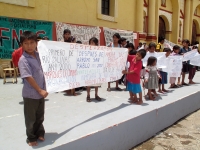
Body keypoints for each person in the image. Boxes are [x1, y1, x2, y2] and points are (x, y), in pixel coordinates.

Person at [18, 31, 48, 146]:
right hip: (31, 94)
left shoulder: (39, 56)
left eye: (32, 43)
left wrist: (46, 88)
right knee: (30, 118)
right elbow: (28, 77)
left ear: (36, 43)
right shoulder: (23, 60)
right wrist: (40, 90)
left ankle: (40, 132)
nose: (29, 46)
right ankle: (31, 137)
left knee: (40, 116)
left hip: (41, 93)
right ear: (22, 45)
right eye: (26, 43)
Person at [86, 37, 102, 102]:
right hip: (89, 69)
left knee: (96, 83)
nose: (91, 44)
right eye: (90, 43)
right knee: (88, 83)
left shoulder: (99, 51)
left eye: (93, 43)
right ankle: (88, 95)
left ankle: (96, 95)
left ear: (96, 43)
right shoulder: (87, 51)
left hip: (96, 69)